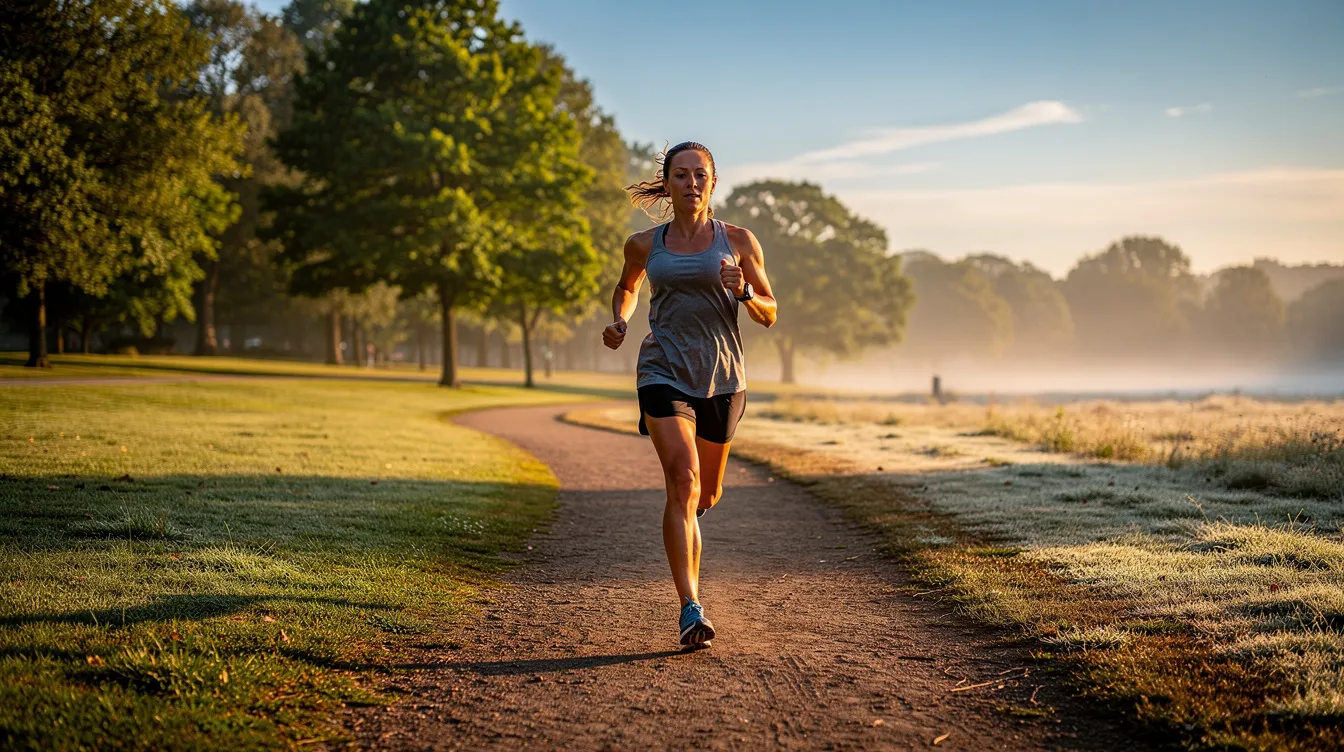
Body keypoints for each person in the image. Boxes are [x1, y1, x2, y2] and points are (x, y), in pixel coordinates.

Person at [603, 141, 778, 649]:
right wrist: (620, 320)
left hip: (723, 378)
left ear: (713, 183)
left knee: (705, 494)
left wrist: (744, 292)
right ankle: (690, 607)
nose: (691, 183)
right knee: (682, 478)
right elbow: (628, 287)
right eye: (681, 175)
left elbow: (770, 312)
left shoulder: (739, 240)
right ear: (668, 183)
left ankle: (687, 523)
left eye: (700, 175)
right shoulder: (644, 244)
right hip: (663, 369)